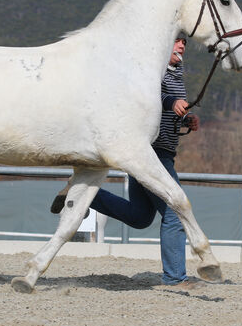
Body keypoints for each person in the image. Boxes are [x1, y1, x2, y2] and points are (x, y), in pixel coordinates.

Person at [50, 36, 201, 288]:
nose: (182, 46)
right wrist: (171, 102)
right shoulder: (153, 69)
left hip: (157, 153)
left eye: (184, 42)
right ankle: (175, 278)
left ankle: (86, 194)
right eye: (176, 41)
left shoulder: (175, 74)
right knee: (174, 213)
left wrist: (186, 120)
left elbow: (164, 110)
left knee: (140, 217)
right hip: (151, 155)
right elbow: (149, 94)